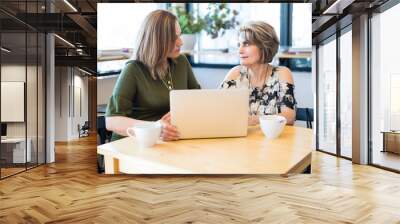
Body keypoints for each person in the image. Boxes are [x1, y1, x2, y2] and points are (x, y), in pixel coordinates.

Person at [105, 10, 201, 142]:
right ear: (156, 40)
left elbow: (198, 99)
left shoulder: (181, 62)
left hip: (169, 142)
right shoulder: (133, 69)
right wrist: (156, 127)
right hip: (135, 144)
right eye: (173, 38)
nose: (180, 42)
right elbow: (112, 121)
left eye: (180, 35)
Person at [220, 21, 296, 125]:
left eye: (246, 44)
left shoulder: (282, 74)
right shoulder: (236, 73)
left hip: (275, 140)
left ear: (264, 46)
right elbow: (216, 108)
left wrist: (252, 120)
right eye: (239, 44)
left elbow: (289, 117)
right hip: (243, 139)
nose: (240, 50)